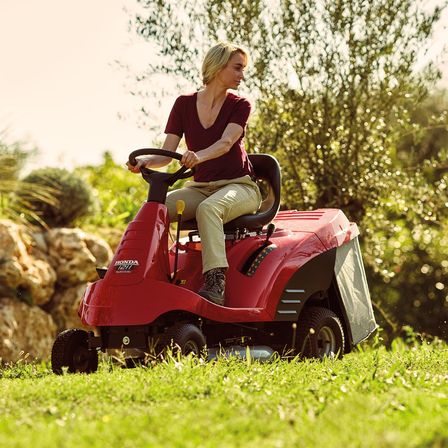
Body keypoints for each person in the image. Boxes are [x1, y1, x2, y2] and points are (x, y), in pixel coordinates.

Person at [127, 42, 262, 306]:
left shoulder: (241, 105)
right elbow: (166, 155)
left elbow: (225, 143)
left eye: (242, 69)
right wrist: (144, 162)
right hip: (200, 187)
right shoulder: (184, 104)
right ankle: (146, 271)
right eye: (237, 68)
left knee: (209, 210)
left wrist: (198, 156)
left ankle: (215, 282)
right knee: (156, 208)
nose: (242, 76)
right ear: (218, 66)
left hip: (240, 187)